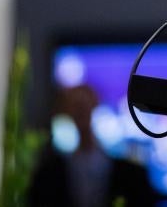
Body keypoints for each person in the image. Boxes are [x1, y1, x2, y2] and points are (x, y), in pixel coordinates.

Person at [29, 84, 158, 207]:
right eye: (76, 107)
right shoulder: (49, 174)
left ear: (95, 106)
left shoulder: (131, 173)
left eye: (84, 106)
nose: (81, 112)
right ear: (65, 111)